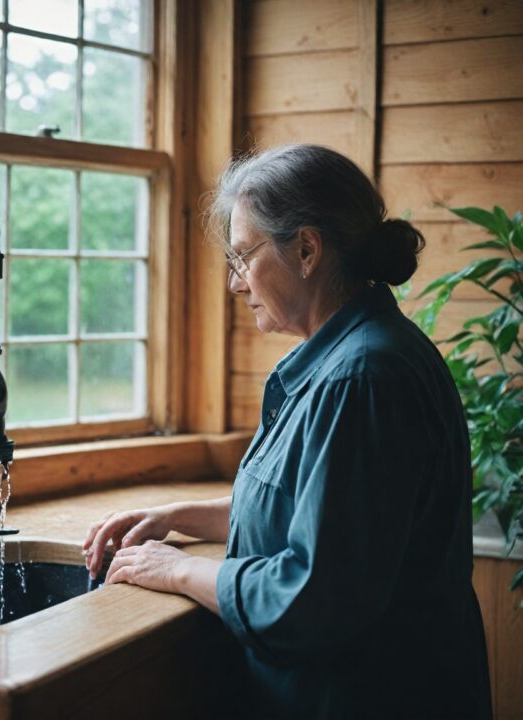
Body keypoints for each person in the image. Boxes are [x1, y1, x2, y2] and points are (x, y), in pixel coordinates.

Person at [83, 145, 492, 719]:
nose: (234, 282)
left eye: (243, 255)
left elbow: (310, 597)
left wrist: (176, 569)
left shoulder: (362, 378)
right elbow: (315, 514)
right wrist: (177, 515)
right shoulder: (350, 357)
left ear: (305, 249)